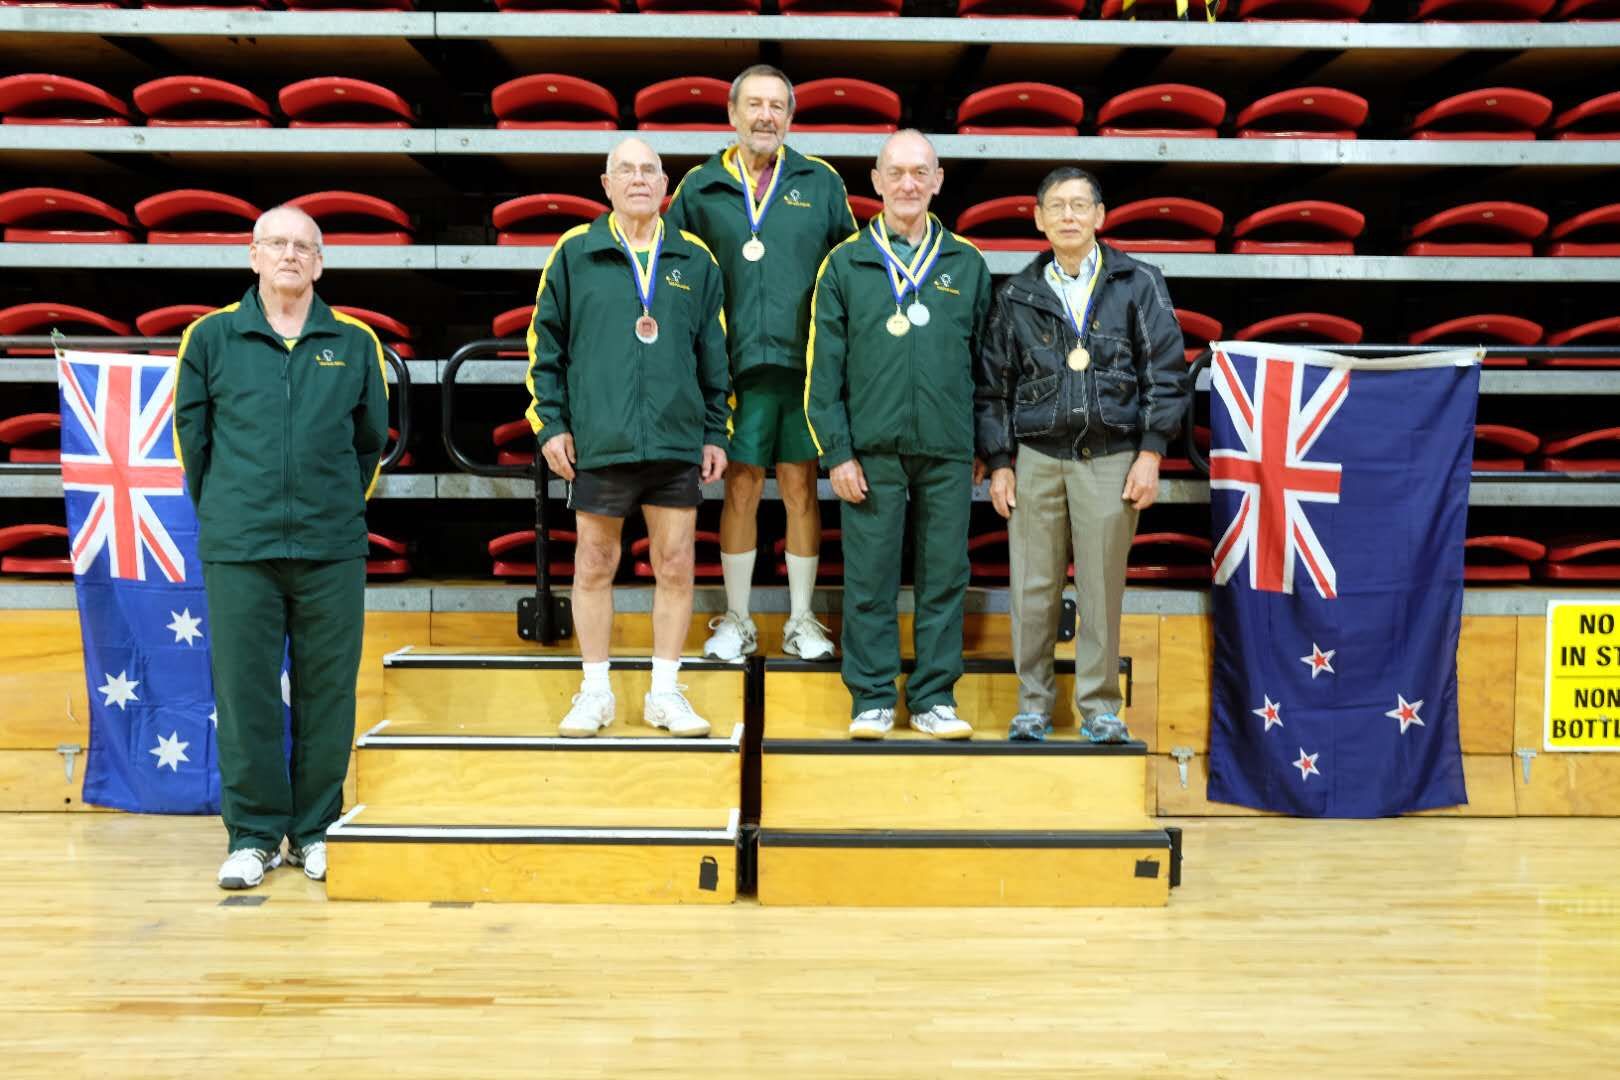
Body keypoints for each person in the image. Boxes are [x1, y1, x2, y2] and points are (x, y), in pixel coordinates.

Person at [173, 204, 390, 889]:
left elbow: (370, 445)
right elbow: (193, 446)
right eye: (277, 243)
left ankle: (317, 828)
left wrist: (328, 509)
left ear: (320, 263)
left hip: (331, 546)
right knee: (245, 695)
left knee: (329, 693)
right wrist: (236, 513)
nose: (291, 254)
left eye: (304, 246)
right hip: (241, 547)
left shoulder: (355, 343)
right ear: (253, 255)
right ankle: (255, 836)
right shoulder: (208, 339)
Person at [525, 136, 731, 740]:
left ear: (665, 185)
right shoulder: (575, 253)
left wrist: (716, 429)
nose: (638, 179)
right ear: (606, 183)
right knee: (593, 562)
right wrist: (552, 423)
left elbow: (713, 353)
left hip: (674, 440)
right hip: (602, 438)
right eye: (626, 170)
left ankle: (665, 693)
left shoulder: (696, 259)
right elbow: (546, 345)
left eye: (649, 170)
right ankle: (596, 692)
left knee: (675, 563)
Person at [975, 165, 1190, 743]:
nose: (1068, 215)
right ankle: (1033, 706)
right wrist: (999, 462)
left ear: (1100, 216)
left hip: (1112, 457)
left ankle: (1099, 708)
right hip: (1036, 458)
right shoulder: (1015, 294)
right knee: (1033, 588)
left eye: (1080, 205)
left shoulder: (1138, 282)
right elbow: (993, 387)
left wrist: (1150, 453)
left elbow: (1166, 373)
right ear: (1039, 218)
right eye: (1057, 206)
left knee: (1100, 587)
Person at [665, 64, 857, 663]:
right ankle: (740, 620)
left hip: (803, 371)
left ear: (790, 117)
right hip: (733, 370)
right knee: (740, 488)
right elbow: (674, 277)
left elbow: (849, 274)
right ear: (732, 114)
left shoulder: (821, 183)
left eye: (777, 106)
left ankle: (801, 620)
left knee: (802, 488)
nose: (765, 116)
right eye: (754, 105)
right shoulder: (699, 188)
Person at [804, 130, 992, 741]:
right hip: (871, 452)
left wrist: (984, 445)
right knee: (869, 579)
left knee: (944, 578)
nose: (908, 184)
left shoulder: (966, 262)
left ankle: (935, 696)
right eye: (897, 173)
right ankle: (872, 698)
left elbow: (988, 366)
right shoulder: (845, 263)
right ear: (876, 181)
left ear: (938, 181)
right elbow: (822, 370)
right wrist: (837, 452)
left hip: (946, 451)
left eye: (920, 173)